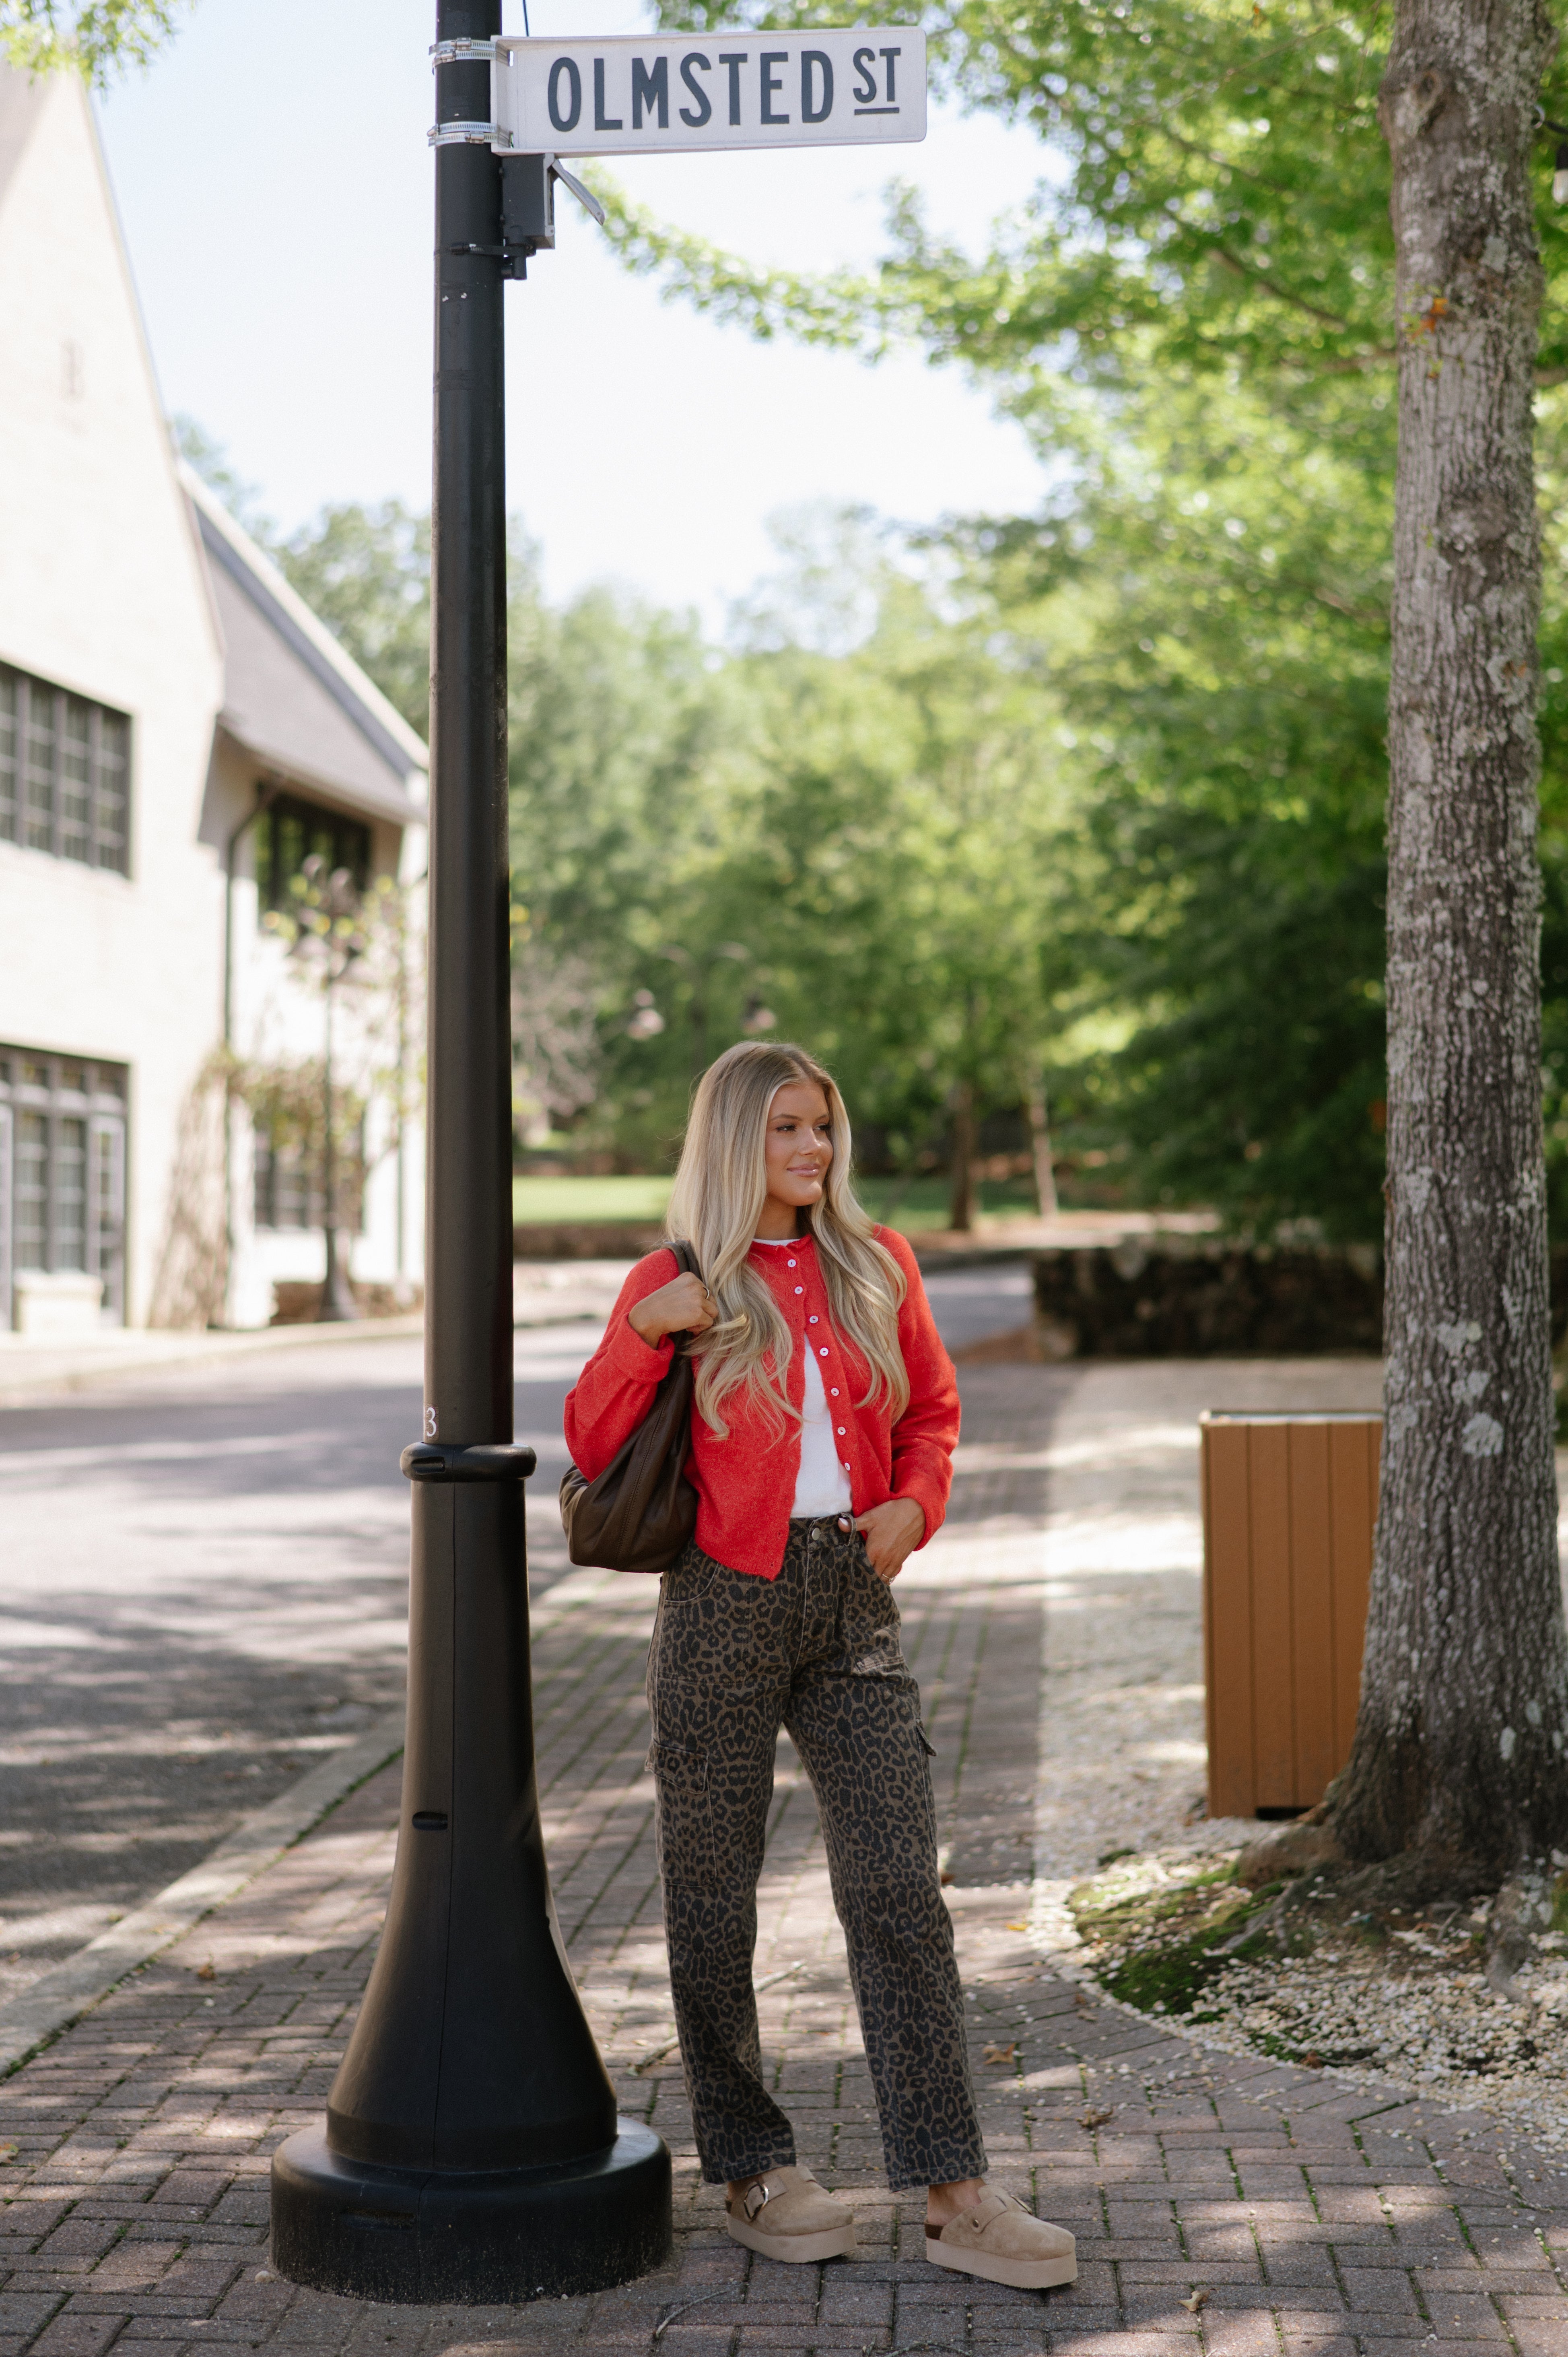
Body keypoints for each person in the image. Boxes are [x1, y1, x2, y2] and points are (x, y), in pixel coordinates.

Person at [563, 1042, 1076, 2289]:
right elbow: (588, 1436)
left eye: (822, 1127)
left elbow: (932, 1413)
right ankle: (750, 2164)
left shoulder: (876, 1260)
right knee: (712, 1896)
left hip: (853, 1600)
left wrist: (916, 1505)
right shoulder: (678, 1278)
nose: (812, 1150)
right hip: (723, 1606)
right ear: (737, 1140)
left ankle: (953, 2190)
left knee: (900, 1887)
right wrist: (645, 1330)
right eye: (787, 1128)